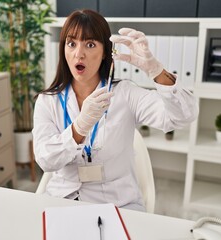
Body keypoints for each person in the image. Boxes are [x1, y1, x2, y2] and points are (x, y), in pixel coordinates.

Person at [32, 9, 198, 211]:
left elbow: (183, 116)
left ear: (105, 53)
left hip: (118, 203)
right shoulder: (48, 101)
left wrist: (156, 71)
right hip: (61, 200)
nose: (79, 53)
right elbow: (45, 160)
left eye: (90, 44)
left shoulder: (125, 94)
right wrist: (79, 129)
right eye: (71, 43)